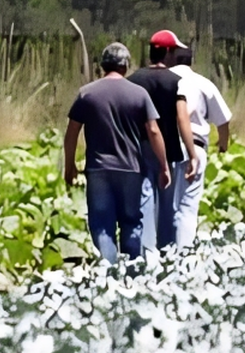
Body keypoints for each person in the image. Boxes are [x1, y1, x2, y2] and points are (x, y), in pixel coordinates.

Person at [63, 42, 170, 264]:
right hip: (131, 168)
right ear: (126, 66)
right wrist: (164, 165)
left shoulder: (87, 93)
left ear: (103, 65)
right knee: (131, 221)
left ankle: (108, 269)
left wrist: (70, 165)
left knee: (102, 223)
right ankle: (131, 270)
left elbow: (72, 132)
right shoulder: (139, 94)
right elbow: (153, 131)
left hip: (98, 168)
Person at [127, 30, 198, 252]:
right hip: (168, 148)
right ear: (167, 52)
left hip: (139, 146)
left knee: (144, 197)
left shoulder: (133, 80)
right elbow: (182, 117)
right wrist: (192, 154)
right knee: (168, 204)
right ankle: (166, 250)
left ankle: (146, 250)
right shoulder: (177, 82)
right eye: (174, 51)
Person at [168, 45, 233, 248]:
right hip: (194, 147)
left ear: (170, 58)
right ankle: (182, 256)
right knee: (186, 206)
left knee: (162, 206)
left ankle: (157, 256)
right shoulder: (203, 83)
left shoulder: (161, 80)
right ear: (190, 61)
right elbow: (222, 121)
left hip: (162, 147)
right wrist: (223, 145)